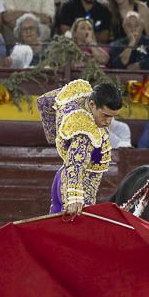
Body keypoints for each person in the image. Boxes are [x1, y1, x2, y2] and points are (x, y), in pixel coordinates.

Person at [38, 79, 123, 215]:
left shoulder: (78, 95)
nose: (108, 122)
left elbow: (45, 101)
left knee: (52, 231)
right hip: (81, 184)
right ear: (92, 104)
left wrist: (56, 137)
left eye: (112, 117)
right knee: (75, 233)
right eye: (105, 115)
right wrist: (75, 197)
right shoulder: (85, 130)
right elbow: (75, 165)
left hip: (61, 178)